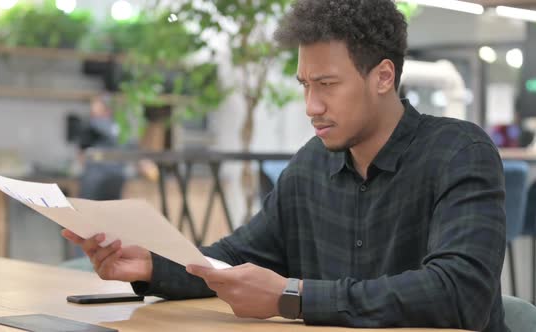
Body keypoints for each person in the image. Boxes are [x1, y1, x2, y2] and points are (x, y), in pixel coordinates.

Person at [62, 1, 507, 330]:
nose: (311, 106)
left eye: (328, 84)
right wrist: (153, 266)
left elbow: (459, 291)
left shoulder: (459, 153)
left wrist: (294, 297)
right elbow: (235, 259)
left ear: (383, 77)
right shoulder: (311, 166)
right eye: (305, 84)